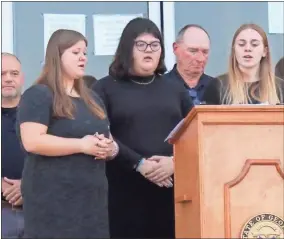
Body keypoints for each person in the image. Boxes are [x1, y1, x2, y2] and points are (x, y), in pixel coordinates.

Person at [93, 17, 193, 239]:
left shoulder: (175, 89)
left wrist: (175, 163)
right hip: (123, 193)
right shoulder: (104, 88)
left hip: (171, 192)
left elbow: (196, 135)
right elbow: (100, 135)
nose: (149, 50)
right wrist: (139, 164)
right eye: (141, 45)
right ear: (127, 49)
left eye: (154, 45)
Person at [17, 29, 119, 238]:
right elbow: (33, 141)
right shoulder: (39, 95)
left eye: (84, 52)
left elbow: (107, 138)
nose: (83, 57)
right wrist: (82, 145)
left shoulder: (92, 99)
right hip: (53, 203)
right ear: (57, 55)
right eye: (75, 52)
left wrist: (111, 148)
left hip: (92, 204)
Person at [203, 23, 284, 105]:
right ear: (234, 50)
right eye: (241, 44)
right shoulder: (218, 85)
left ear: (265, 51)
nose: (247, 48)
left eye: (254, 44)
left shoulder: (280, 87)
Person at [1, 53, 25, 238]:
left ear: (22, 78)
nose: (8, 78)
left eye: (14, 73)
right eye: (2, 74)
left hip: (39, 209)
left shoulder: (40, 113)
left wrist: (28, 185)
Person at [164, 24, 215, 105]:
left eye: (205, 52)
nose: (200, 59)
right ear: (175, 48)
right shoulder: (159, 87)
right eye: (193, 51)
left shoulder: (218, 89)